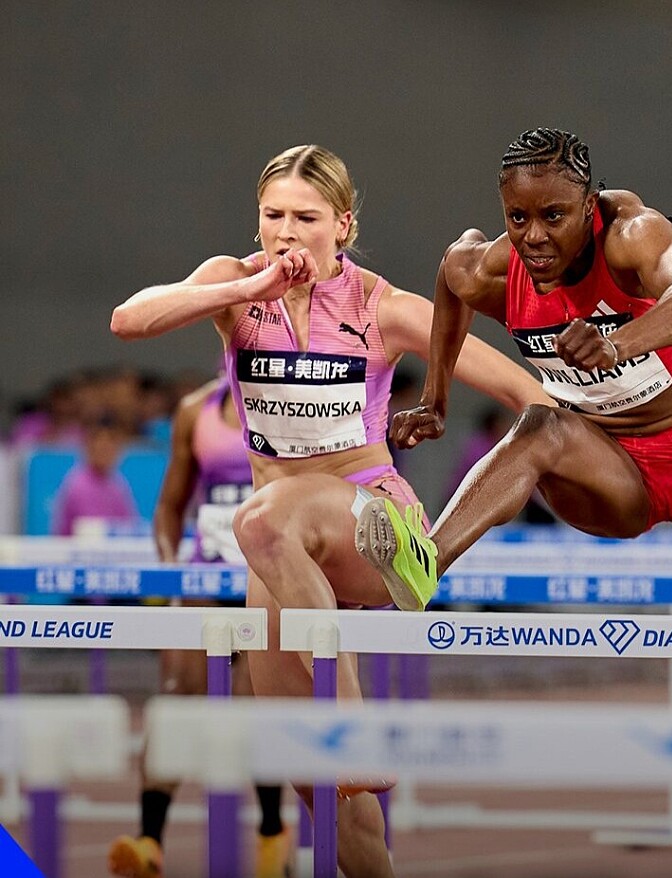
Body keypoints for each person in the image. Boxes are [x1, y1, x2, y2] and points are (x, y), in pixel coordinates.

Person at [110, 144, 550, 878]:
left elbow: (529, 394)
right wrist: (243, 288)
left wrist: (453, 418)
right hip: (283, 554)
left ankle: (356, 718)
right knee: (320, 782)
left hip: (369, 526)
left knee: (261, 518)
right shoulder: (234, 285)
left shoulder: (381, 307)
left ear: (343, 225)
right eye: (273, 215)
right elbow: (129, 320)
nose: (286, 232)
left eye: (306, 218)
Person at [354, 128, 672, 712]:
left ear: (588, 206)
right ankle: (425, 561)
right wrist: (436, 398)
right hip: (606, 464)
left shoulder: (633, 236)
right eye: (518, 218)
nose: (534, 237)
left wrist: (617, 344)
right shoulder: (492, 269)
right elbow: (451, 281)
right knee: (540, 426)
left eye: (553, 216)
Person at [107, 378, 290, 878]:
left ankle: (272, 836)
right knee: (174, 702)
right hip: (203, 581)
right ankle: (149, 841)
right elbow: (170, 506)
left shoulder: (299, 404)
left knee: (256, 707)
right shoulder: (195, 410)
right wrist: (172, 573)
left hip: (267, 580)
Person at [50, 412, 138, 535]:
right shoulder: (78, 485)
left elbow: (130, 527)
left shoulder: (118, 485)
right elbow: (90, 531)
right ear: (89, 447)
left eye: (111, 446)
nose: (106, 452)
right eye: (102, 447)